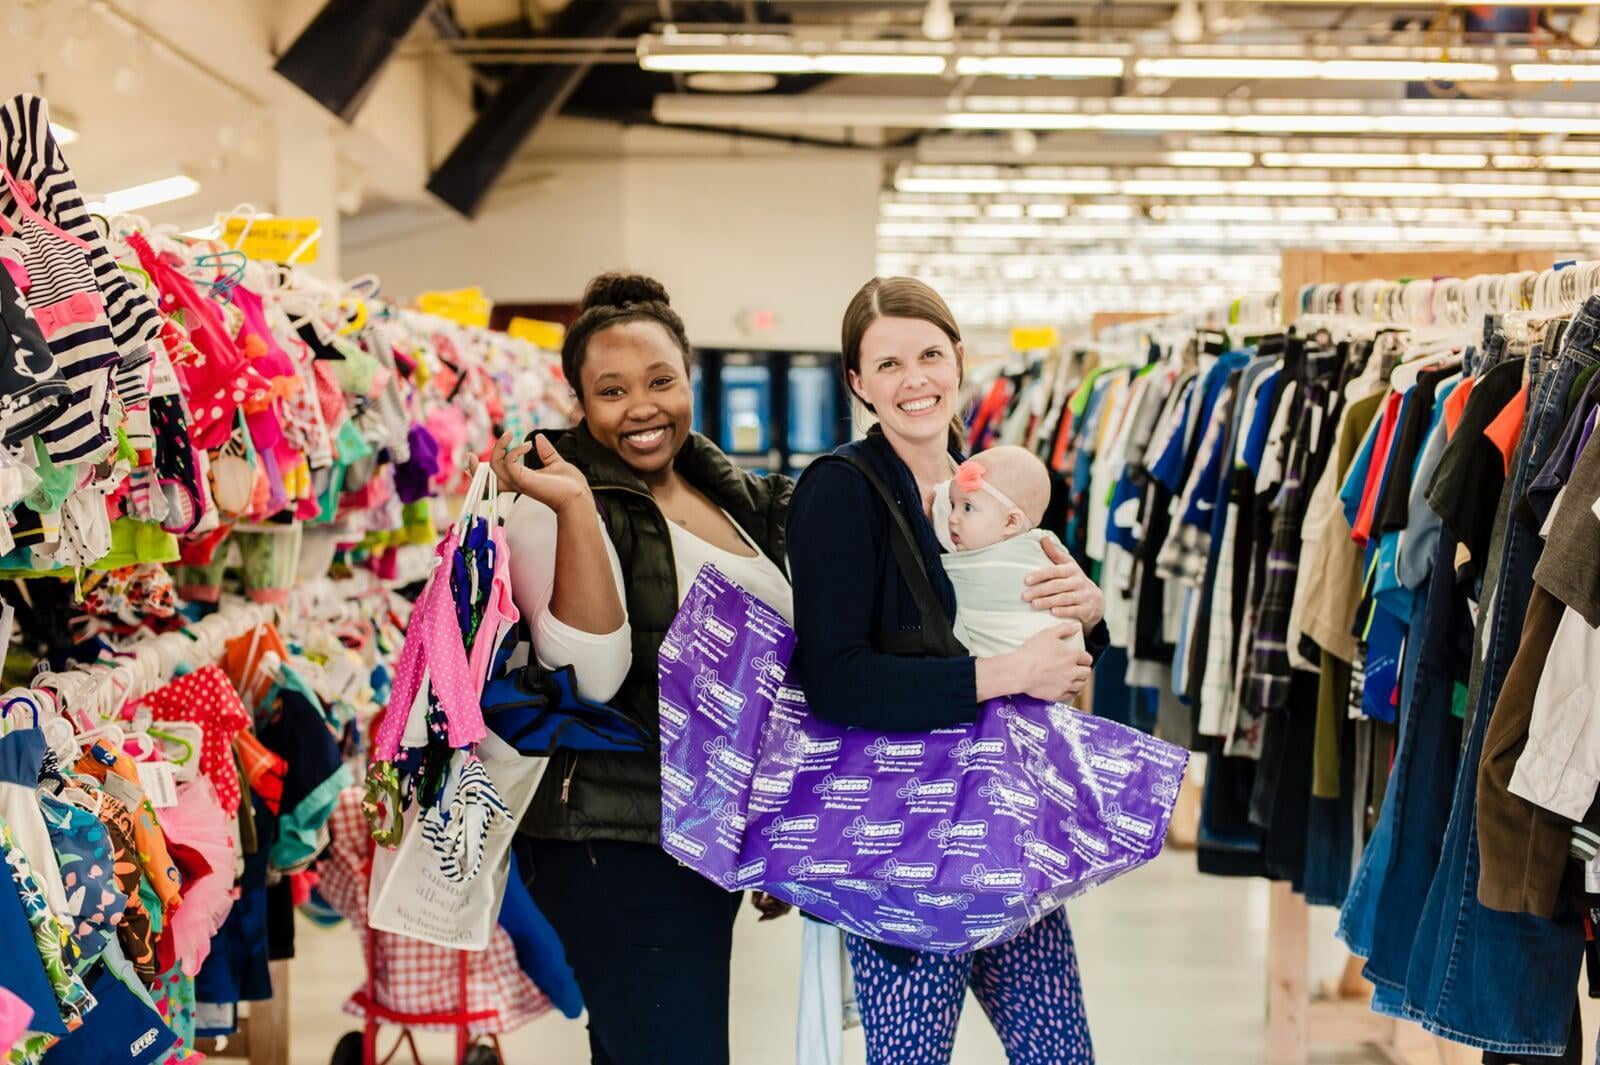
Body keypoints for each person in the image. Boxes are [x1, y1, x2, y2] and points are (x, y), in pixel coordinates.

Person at [787, 276, 1107, 1065]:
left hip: (1001, 824)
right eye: (888, 364)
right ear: (858, 383)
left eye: (930, 353)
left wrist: (1084, 618)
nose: (915, 379)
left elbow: (1041, 649)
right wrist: (1006, 672)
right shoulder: (842, 490)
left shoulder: (993, 492)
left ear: (960, 358)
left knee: (1062, 1054)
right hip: (902, 839)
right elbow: (834, 678)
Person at [490, 272, 792, 1065]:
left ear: (690, 376)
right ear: (580, 404)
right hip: (614, 835)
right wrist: (578, 508)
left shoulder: (730, 491)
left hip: (699, 829)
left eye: (660, 380)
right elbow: (585, 678)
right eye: (612, 390)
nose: (643, 406)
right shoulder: (551, 501)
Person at [935, 444, 1087, 660]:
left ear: (1011, 522)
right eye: (952, 504)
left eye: (967, 507)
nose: (952, 518)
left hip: (1036, 677)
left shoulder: (1042, 554)